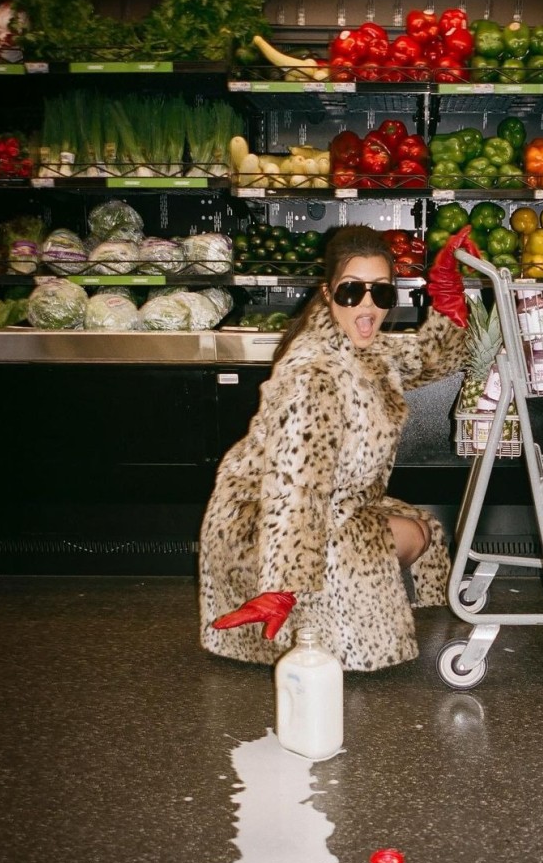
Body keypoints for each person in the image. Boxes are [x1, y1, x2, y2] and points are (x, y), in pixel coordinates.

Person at [198, 223, 477, 672]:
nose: (368, 305)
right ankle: (312, 610)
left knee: (420, 531)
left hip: (327, 507)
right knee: (405, 536)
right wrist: (280, 587)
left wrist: (446, 292)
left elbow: (425, 359)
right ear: (329, 294)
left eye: (381, 292)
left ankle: (339, 599)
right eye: (352, 291)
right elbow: (295, 487)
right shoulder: (314, 375)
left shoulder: (360, 347)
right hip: (263, 526)